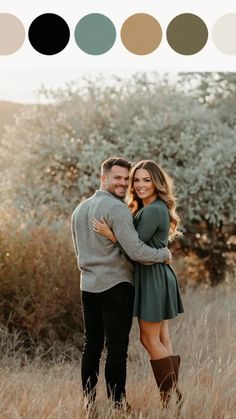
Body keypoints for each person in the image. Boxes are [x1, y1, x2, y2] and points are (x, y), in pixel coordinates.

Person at [71, 157, 172, 410]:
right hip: (116, 286)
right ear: (103, 178)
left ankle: (89, 403)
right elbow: (137, 251)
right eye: (118, 178)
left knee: (91, 344)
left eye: (127, 179)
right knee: (117, 348)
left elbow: (79, 252)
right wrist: (163, 254)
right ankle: (118, 404)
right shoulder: (117, 209)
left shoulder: (80, 209)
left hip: (88, 286)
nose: (124, 183)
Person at [92, 160, 184, 408]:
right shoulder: (148, 207)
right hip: (155, 274)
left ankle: (172, 398)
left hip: (152, 275)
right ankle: (173, 400)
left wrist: (112, 235)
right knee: (162, 338)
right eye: (137, 180)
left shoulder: (154, 209)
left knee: (149, 339)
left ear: (157, 183)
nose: (140, 185)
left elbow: (136, 250)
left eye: (147, 180)